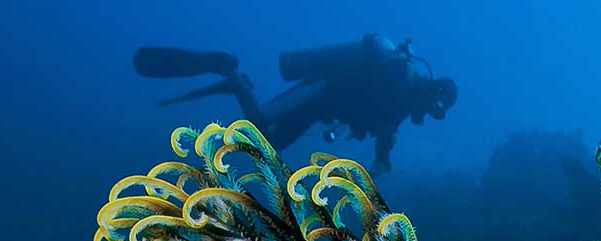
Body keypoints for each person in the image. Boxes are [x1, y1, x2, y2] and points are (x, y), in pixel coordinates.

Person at [134, 35, 457, 173]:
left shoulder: (404, 93)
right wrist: (382, 159)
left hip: (320, 108)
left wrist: (382, 160)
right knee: (259, 124)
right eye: (434, 109)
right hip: (319, 91)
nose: (428, 114)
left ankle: (236, 81)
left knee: (268, 144)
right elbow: (385, 127)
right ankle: (229, 71)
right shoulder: (401, 80)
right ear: (432, 93)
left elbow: (386, 129)